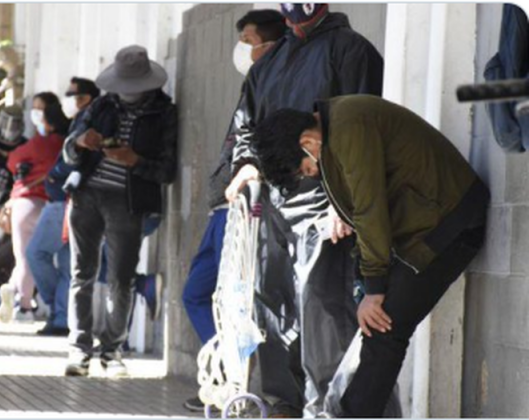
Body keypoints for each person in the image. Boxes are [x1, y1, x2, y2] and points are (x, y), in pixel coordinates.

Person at [253, 95, 489, 417]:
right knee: (376, 328)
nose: (309, 175)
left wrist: (375, 289)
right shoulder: (335, 132)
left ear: (307, 141)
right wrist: (368, 284)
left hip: (450, 224)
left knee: (384, 327)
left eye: (303, 168)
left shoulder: (349, 126)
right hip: (422, 231)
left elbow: (369, 208)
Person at [222, 4, 386, 416]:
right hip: (275, 195)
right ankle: (283, 400)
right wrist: (245, 164)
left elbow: (360, 132)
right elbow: (246, 122)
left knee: (322, 303)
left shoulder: (351, 50)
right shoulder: (271, 60)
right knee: (272, 299)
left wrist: (340, 200)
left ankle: (330, 407)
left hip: (324, 194)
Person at [180, 9, 286, 412]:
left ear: (269, 44)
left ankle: (234, 381)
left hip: (248, 206)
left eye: (248, 39)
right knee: (199, 293)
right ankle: (223, 371)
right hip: (224, 206)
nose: (240, 48)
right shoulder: (254, 82)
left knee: (240, 300)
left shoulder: (276, 81)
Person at [62, 45, 177, 378]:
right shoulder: (101, 105)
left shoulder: (164, 114)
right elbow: (68, 151)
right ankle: (78, 349)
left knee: (121, 279)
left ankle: (112, 350)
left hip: (128, 202)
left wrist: (135, 161)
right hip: (86, 194)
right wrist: (82, 141)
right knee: (81, 274)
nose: (126, 93)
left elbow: (167, 170)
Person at [24, 77, 100, 337]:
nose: (74, 101)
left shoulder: (90, 119)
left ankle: (59, 314)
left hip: (66, 200)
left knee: (36, 253)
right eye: (71, 96)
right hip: (67, 199)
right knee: (69, 264)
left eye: (78, 96)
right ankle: (61, 317)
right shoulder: (81, 119)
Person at [0, 93, 68, 323]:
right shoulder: (64, 143)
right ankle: (31, 299)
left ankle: (23, 303)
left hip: (26, 202)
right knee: (49, 257)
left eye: (40, 110)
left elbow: (11, 161)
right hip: (54, 205)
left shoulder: (38, 143)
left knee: (26, 256)